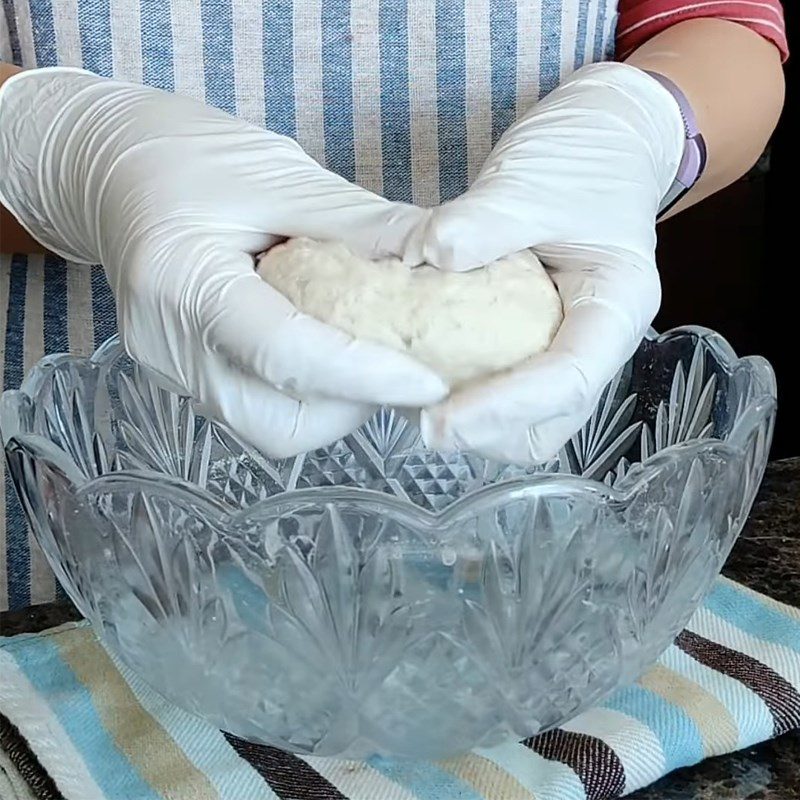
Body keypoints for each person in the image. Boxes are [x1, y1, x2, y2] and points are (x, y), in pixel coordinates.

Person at [0, 1, 787, 609]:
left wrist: (648, 123)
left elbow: (724, 27)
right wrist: (66, 150)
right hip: (101, 526)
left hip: (537, 558)